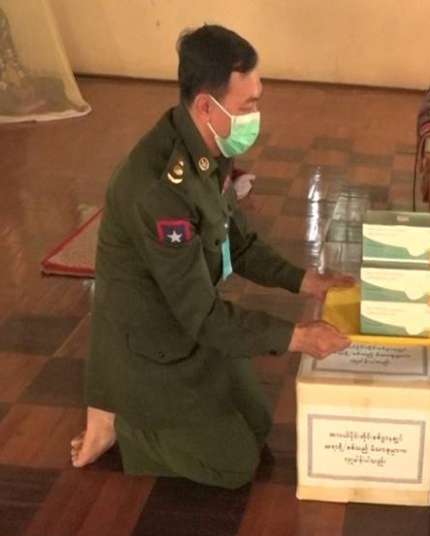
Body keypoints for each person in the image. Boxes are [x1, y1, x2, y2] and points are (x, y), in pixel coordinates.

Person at [70, 25, 352, 489]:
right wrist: (299, 337)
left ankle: (161, 406)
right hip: (153, 339)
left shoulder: (209, 147)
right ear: (206, 105)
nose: (255, 116)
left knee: (257, 423)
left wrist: (308, 281)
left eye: (257, 101)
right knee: (233, 465)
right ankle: (123, 422)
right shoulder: (161, 191)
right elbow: (200, 315)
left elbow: (237, 243)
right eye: (247, 106)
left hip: (188, 316)